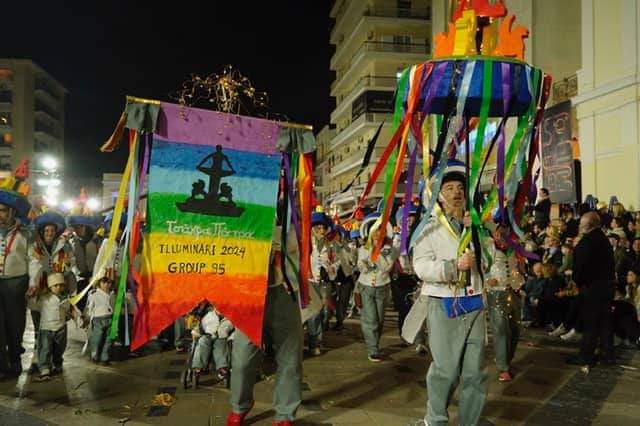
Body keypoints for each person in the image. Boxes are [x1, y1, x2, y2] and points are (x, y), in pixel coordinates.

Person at [411, 160, 488, 425]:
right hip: (444, 304)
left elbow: (488, 261)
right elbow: (420, 266)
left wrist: (476, 233)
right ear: (439, 196)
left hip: (475, 301)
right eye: (450, 188)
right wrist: (452, 267)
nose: (456, 192)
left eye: (460, 188)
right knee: (445, 370)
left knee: (475, 372)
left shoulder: (475, 224)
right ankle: (435, 420)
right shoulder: (427, 227)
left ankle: (470, 420)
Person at [226, 224, 303, 426]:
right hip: (250, 291)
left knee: (290, 356)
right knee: (242, 357)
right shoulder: (247, 206)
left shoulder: (290, 208)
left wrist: (274, 238)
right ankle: (240, 405)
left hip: (284, 289)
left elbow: (298, 243)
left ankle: (285, 413)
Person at [28, 211, 80, 374]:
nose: (49, 233)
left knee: (58, 327)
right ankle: (39, 358)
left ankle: (56, 358)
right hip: (40, 291)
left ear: (56, 231)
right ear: (42, 232)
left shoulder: (65, 245)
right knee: (40, 327)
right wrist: (34, 284)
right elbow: (32, 265)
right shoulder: (34, 246)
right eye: (46, 231)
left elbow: (71, 265)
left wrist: (69, 286)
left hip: (59, 291)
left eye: (52, 230)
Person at [567, 212, 616, 367]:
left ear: (589, 225)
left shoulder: (587, 242)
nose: (580, 225)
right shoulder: (603, 239)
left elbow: (580, 266)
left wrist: (576, 280)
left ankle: (586, 356)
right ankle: (608, 355)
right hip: (606, 287)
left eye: (582, 222)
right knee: (604, 322)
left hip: (592, 288)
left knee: (591, 323)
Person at [0, 184, 34, 379]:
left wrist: (33, 283)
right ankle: (1, 365)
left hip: (16, 284)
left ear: (12, 212)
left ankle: (14, 359)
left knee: (15, 325)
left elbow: (35, 260)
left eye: (3, 211)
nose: (0, 215)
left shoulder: (25, 234)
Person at [356, 214, 398, 362]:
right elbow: (361, 266)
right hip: (366, 286)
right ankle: (372, 349)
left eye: (380, 231)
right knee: (370, 319)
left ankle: (375, 343)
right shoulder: (363, 248)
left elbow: (386, 267)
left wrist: (377, 254)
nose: (377, 234)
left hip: (383, 286)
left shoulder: (391, 250)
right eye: (375, 231)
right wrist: (365, 263)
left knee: (379, 320)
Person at [486, 222, 523, 382]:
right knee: (500, 329)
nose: (502, 235)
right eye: (499, 232)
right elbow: (479, 267)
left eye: (505, 232)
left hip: (514, 291)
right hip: (496, 293)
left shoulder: (514, 246)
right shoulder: (487, 246)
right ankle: (503, 367)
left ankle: (507, 358)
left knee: (515, 329)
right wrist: (488, 279)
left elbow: (519, 264)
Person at [28, 273, 80, 381]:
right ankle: (44, 368)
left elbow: (70, 311)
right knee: (45, 348)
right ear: (50, 286)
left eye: (61, 285)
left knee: (59, 348)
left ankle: (57, 364)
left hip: (61, 328)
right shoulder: (43, 298)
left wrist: (77, 317)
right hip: (46, 328)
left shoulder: (65, 299)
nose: (58, 288)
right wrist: (30, 296)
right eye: (55, 285)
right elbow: (32, 305)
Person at [307, 209, 335, 355]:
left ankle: (318, 337)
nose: (321, 230)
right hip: (310, 281)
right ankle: (314, 342)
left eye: (323, 227)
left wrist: (329, 269)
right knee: (314, 313)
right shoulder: (306, 242)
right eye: (318, 228)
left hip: (324, 282)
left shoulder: (329, 245)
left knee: (325, 312)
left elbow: (334, 262)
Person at [190, 303, 233, 381]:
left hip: (221, 337)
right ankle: (197, 367)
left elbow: (233, 331)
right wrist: (195, 332)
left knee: (221, 347)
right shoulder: (208, 316)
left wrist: (231, 338)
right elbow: (200, 327)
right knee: (203, 342)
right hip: (208, 335)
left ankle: (222, 367)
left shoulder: (230, 319)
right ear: (214, 308)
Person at [85, 276, 115, 365]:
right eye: (104, 282)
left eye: (109, 282)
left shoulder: (112, 293)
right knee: (96, 338)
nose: (106, 285)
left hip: (110, 318)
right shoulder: (93, 294)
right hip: (98, 319)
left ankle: (104, 356)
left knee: (109, 339)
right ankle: (95, 354)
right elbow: (89, 307)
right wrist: (88, 318)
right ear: (99, 283)